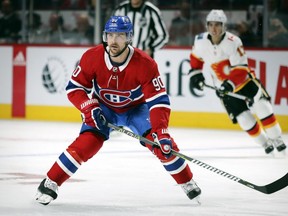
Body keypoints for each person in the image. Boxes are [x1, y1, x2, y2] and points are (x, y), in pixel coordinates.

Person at [35, 15, 201, 205]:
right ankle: (50, 181)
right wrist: (88, 106)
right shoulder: (92, 57)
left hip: (136, 110)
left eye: (119, 35)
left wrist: (162, 132)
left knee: (161, 143)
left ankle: (186, 181)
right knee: (88, 142)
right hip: (104, 108)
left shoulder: (145, 63)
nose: (113, 41)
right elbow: (74, 88)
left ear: (129, 37)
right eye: (110, 35)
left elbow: (158, 100)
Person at [188, 9, 286, 155]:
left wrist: (229, 84)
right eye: (211, 24)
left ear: (224, 26)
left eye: (218, 25)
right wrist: (195, 75)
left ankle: (276, 138)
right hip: (223, 88)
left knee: (262, 107)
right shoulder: (200, 41)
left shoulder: (233, 42)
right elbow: (196, 59)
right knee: (244, 119)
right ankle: (265, 143)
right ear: (207, 26)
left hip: (246, 83)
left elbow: (241, 69)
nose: (214, 28)